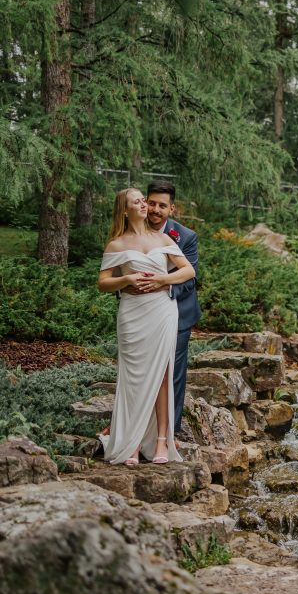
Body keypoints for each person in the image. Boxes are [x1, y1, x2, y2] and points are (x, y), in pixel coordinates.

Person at [97, 187, 196, 466]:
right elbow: (103, 282)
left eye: (144, 200)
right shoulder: (117, 244)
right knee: (132, 376)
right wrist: (126, 280)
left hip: (161, 310)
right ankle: (133, 441)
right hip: (132, 313)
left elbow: (189, 271)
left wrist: (163, 280)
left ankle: (162, 441)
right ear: (125, 210)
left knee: (163, 376)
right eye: (138, 202)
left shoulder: (163, 238)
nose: (145, 205)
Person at [119, 179, 202, 435]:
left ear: (171, 209)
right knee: (139, 369)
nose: (155, 209)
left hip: (175, 313)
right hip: (139, 313)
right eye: (151, 203)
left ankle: (169, 434)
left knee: (171, 373)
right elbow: (122, 268)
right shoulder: (129, 231)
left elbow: (192, 277)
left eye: (161, 206)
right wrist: (126, 289)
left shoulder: (185, 237)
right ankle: (134, 429)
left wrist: (161, 286)